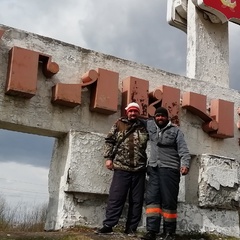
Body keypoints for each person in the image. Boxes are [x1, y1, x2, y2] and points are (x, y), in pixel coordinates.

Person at [96, 102, 149, 236]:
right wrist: (108, 158)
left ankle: (131, 229)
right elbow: (109, 141)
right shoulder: (119, 124)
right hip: (121, 168)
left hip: (139, 169)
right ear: (127, 112)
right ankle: (108, 225)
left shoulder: (144, 125)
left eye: (135, 111)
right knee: (116, 198)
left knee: (136, 201)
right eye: (131, 111)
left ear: (138, 113)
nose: (133, 113)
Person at [142, 107, 190, 240]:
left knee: (169, 201)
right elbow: (137, 119)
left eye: (162, 116)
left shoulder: (176, 131)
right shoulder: (150, 125)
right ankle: (151, 231)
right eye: (157, 116)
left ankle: (169, 232)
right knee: (152, 200)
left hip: (170, 170)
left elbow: (184, 150)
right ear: (154, 117)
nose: (160, 118)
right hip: (154, 169)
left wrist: (185, 164)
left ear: (167, 117)